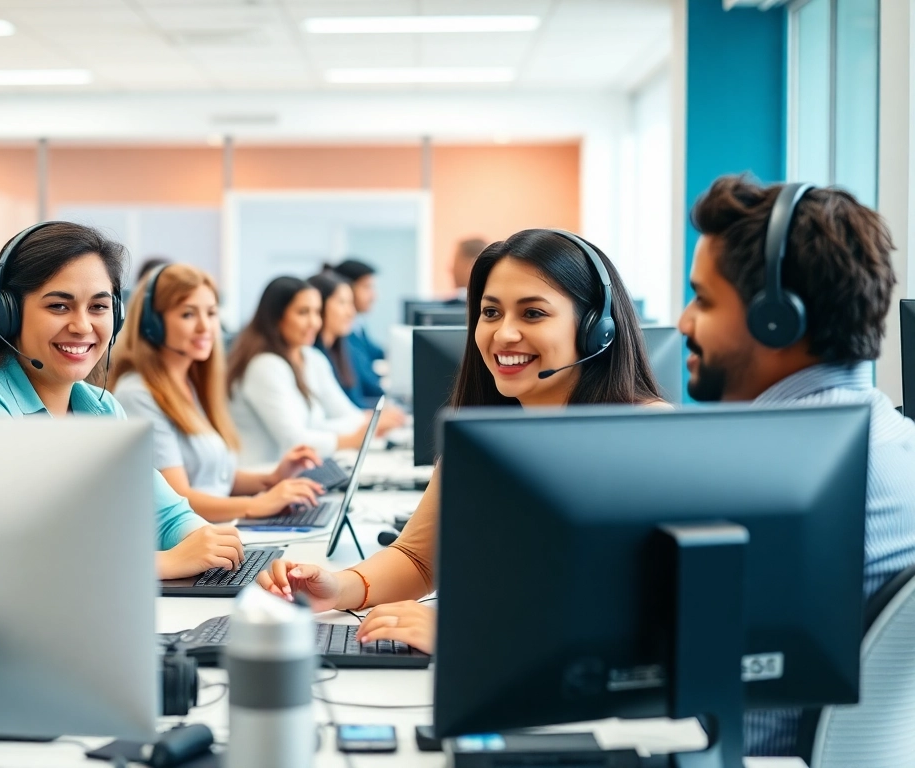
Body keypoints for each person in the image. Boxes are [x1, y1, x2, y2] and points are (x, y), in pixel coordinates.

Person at [258, 228, 664, 653]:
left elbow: (638, 604)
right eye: (491, 313)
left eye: (532, 314)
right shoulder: (482, 434)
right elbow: (417, 558)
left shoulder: (644, 435)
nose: (504, 334)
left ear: (595, 329)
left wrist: (469, 635)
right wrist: (337, 587)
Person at [679, 175, 915, 757]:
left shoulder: (762, 478)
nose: (684, 322)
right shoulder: (896, 437)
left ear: (776, 318)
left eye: (703, 300)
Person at [0, 222, 244, 580]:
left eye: (98, 307)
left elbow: (166, 514)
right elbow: (13, 549)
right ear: (7, 314)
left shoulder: (102, 408)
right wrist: (161, 563)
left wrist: (207, 543)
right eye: (59, 306)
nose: (82, 326)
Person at [109, 264, 326, 522]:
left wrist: (273, 479)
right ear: (152, 324)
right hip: (192, 543)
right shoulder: (138, 394)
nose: (205, 327)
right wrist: (255, 505)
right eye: (188, 314)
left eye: (211, 313)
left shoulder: (191, 384)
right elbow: (177, 499)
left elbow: (215, 477)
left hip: (217, 531)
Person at [227, 276, 391, 466]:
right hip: (260, 480)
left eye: (317, 312)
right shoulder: (264, 366)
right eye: (303, 313)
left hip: (297, 474)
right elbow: (294, 441)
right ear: (276, 317)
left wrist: (366, 423)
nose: (314, 322)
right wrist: (353, 436)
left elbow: (324, 422)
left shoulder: (310, 357)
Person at [308, 272, 408, 430]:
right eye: (342, 303)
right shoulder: (312, 357)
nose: (351, 312)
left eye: (351, 304)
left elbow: (353, 402)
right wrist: (371, 419)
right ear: (320, 306)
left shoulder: (343, 350)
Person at [331, 257, 385, 361]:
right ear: (347, 289)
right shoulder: (342, 331)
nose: (373, 296)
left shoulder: (357, 325)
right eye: (367, 287)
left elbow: (376, 353)